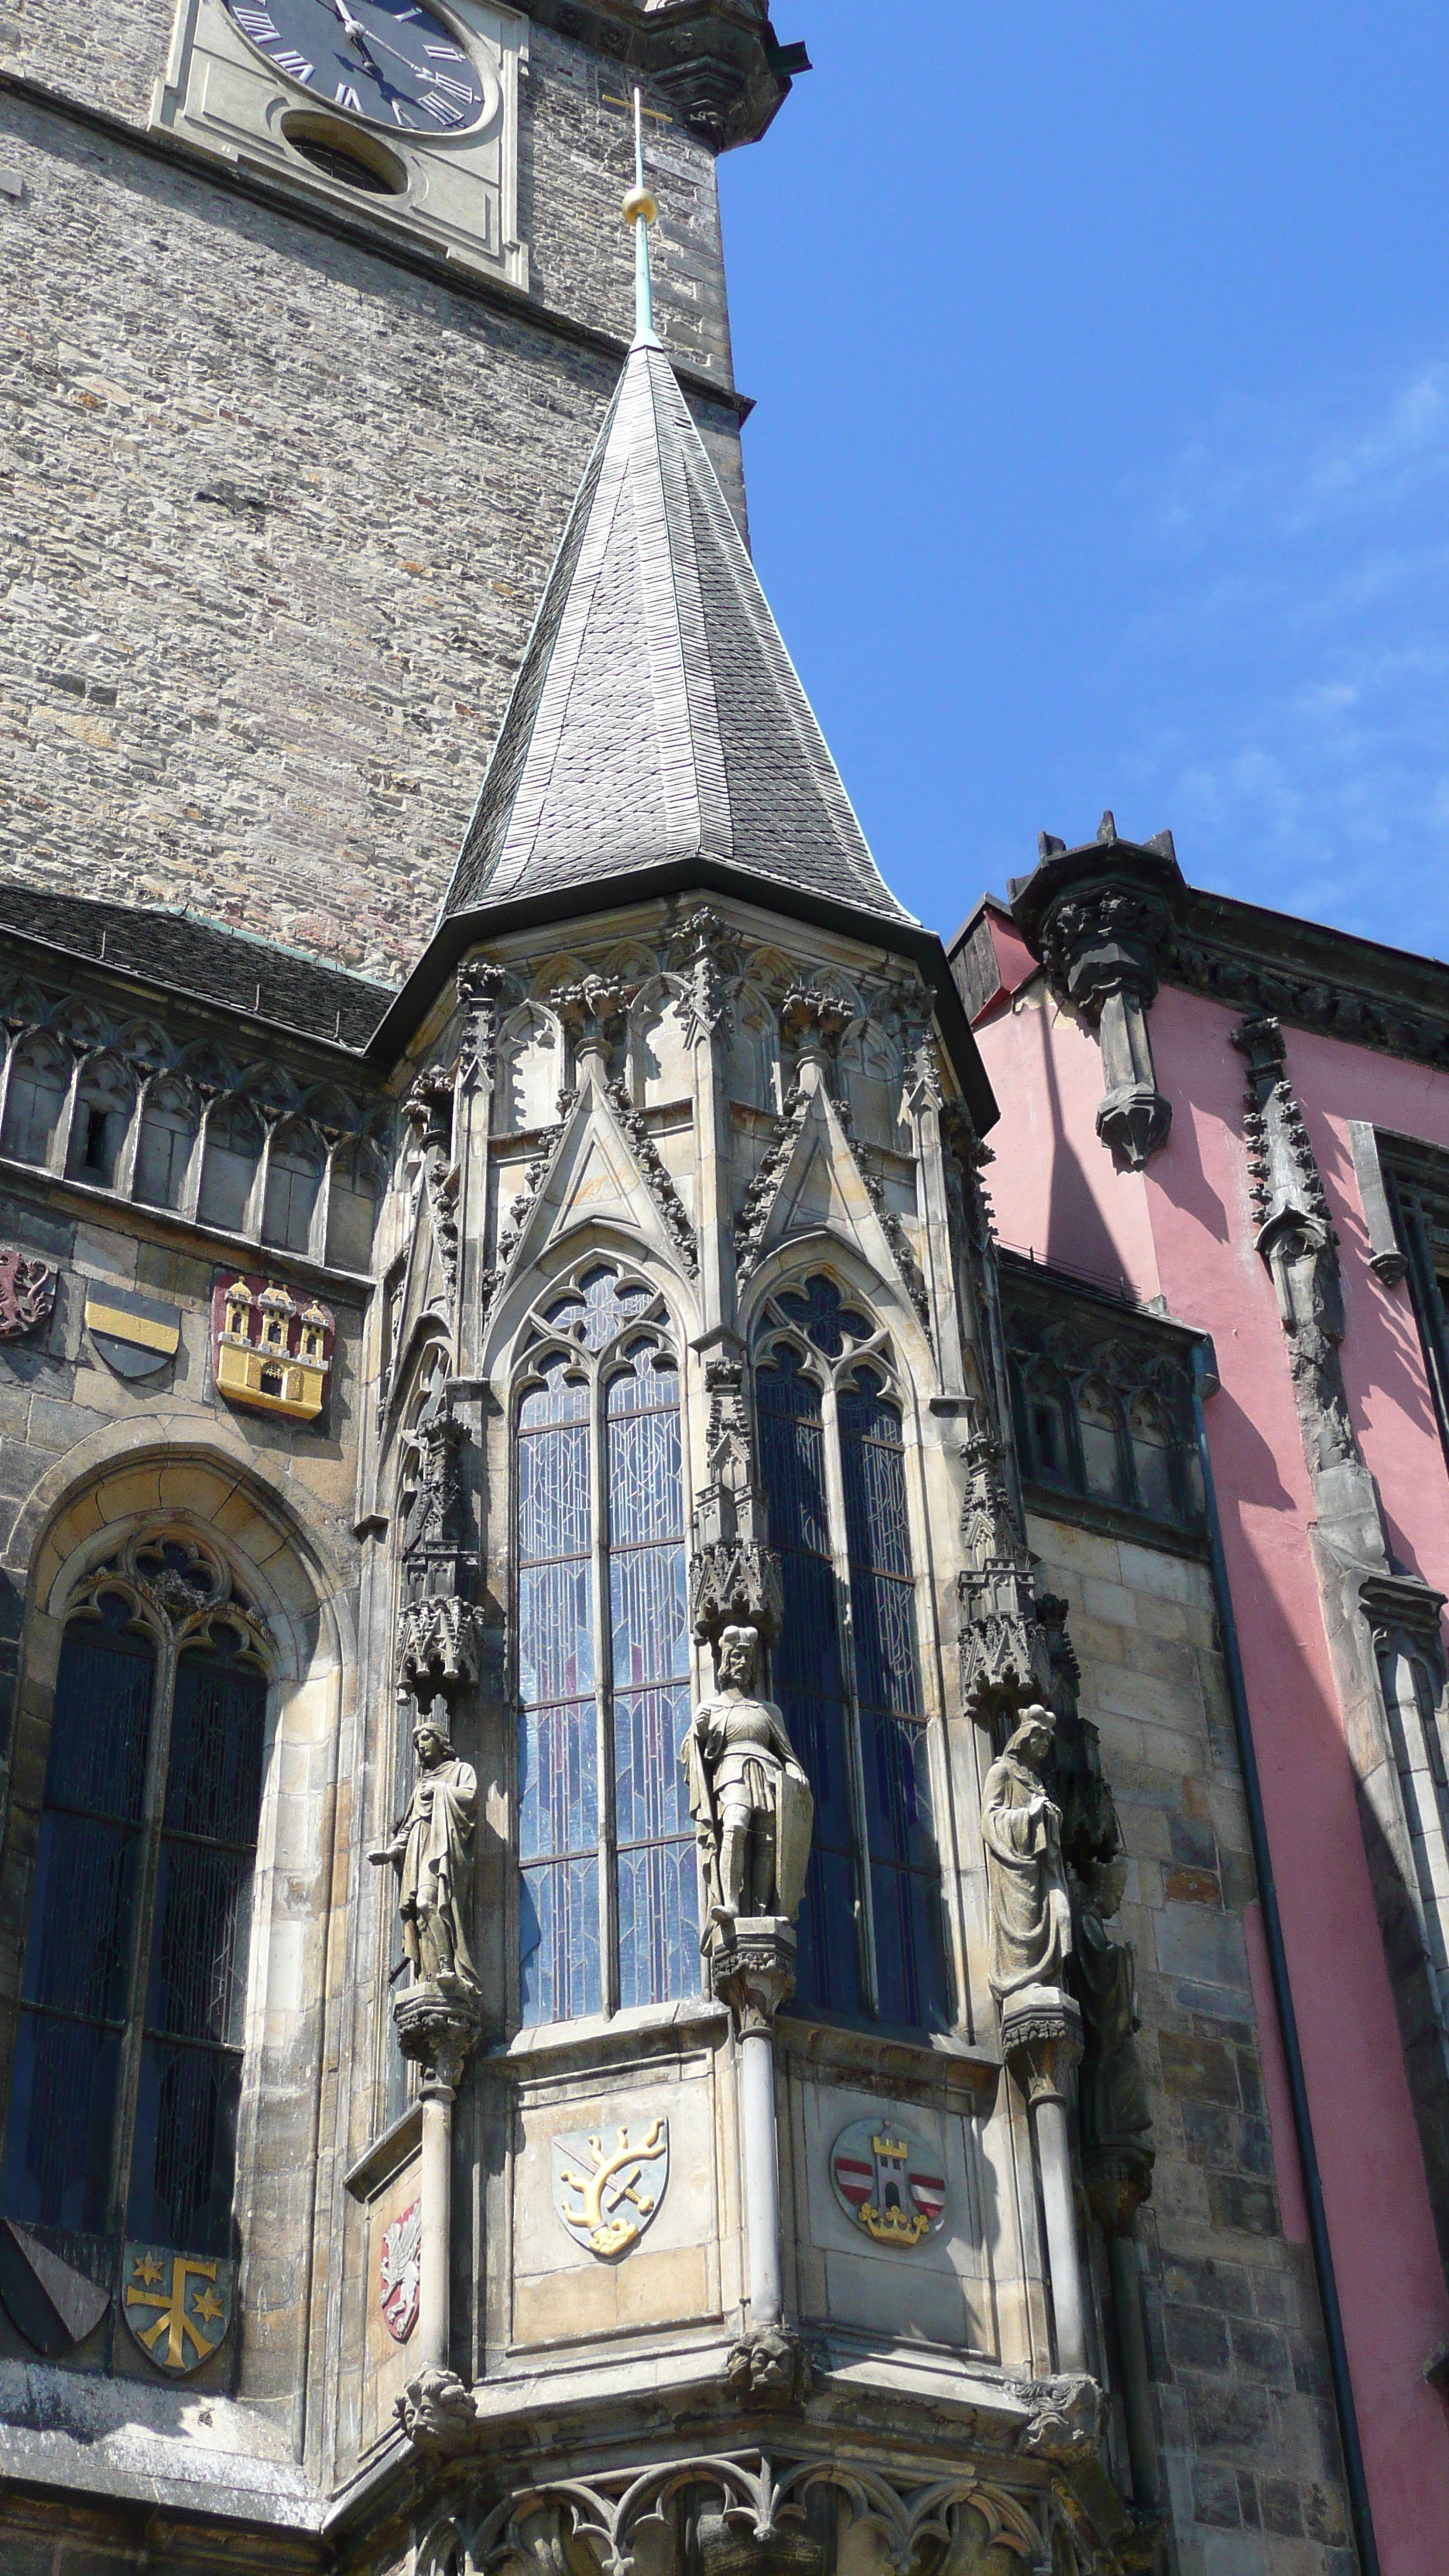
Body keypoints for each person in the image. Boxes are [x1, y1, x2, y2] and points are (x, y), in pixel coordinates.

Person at [684, 1624, 813, 1924]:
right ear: (726, 1662)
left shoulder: (768, 1710)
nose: (744, 1663)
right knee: (735, 1826)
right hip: (731, 1771)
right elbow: (696, 1752)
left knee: (768, 1840)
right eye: (738, 1657)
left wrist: (796, 1771)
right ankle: (730, 1903)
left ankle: (764, 1911)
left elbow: (786, 1752)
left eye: (748, 1658)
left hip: (767, 1773)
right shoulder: (712, 1707)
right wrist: (700, 1731)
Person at [371, 1710, 478, 1989]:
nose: (421, 1745)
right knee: (419, 1914)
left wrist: (440, 1790)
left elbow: (469, 1797)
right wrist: (391, 1852)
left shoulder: (460, 1770)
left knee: (428, 1903)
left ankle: (447, 1964)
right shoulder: (420, 1785)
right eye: (418, 1741)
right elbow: (408, 1826)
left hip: (443, 1848)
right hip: (419, 1848)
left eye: (426, 1738)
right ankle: (427, 1973)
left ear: (441, 1742)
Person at [980, 1703, 1072, 2002]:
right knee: (1023, 1924)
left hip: (1041, 1868)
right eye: (1039, 1738)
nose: (1044, 1745)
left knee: (1062, 1914)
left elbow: (1044, 1826)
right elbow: (990, 1821)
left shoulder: (1036, 1781)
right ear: (1023, 1738)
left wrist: (1050, 1817)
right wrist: (1029, 1815)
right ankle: (1021, 1984)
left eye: (1048, 1740)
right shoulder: (1001, 1772)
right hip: (1014, 1872)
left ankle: (1048, 1980)